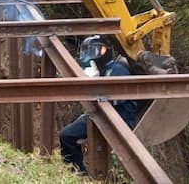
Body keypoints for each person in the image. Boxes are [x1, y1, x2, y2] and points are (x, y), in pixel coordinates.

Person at [59, 35, 138, 174]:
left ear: (104, 50)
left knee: (68, 137)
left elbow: (116, 99)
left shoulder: (117, 70)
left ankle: (80, 173)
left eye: (93, 51)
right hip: (102, 115)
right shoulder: (101, 71)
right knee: (67, 136)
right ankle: (78, 173)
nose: (89, 56)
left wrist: (96, 85)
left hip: (119, 119)